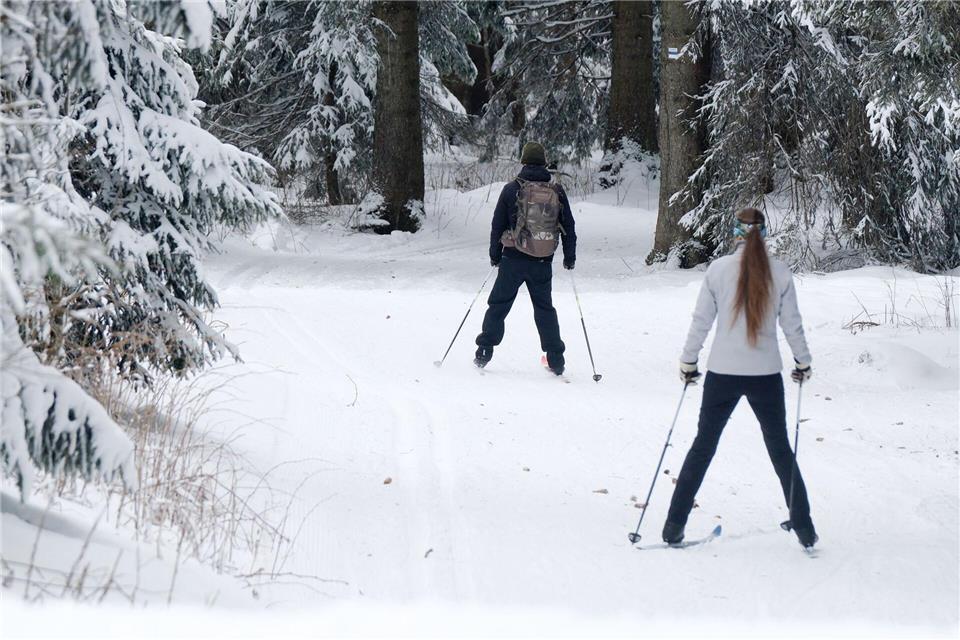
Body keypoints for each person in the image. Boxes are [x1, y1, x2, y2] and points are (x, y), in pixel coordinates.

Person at [663, 207, 818, 548]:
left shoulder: (718, 270)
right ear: (764, 233)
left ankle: (674, 524)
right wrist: (803, 362)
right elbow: (792, 324)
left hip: (723, 373)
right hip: (765, 375)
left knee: (703, 446)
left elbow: (700, 321)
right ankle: (804, 527)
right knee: (779, 448)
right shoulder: (780, 273)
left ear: (735, 233)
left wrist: (688, 361)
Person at [474, 142, 577, 375]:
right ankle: (556, 360)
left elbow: (497, 224)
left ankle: (484, 351)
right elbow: (568, 226)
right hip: (543, 261)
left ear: (523, 161)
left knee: (499, 305)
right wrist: (569, 257)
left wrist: (495, 255)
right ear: (543, 163)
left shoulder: (511, 189)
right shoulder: (556, 191)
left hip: (513, 260)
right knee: (544, 309)